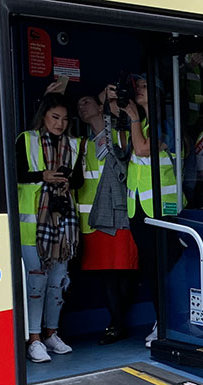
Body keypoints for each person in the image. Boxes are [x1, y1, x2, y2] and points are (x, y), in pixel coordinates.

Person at [16, 93, 85, 363]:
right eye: (55, 117)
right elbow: (15, 173)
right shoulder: (27, 139)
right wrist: (42, 176)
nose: (60, 124)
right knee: (37, 280)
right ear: (44, 116)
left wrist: (68, 182)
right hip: (31, 225)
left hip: (63, 224)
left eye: (65, 119)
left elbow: (79, 180)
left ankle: (51, 334)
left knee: (58, 281)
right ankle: (33, 339)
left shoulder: (75, 145)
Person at [77, 90, 139, 345]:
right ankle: (117, 323)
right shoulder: (80, 143)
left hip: (120, 212)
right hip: (92, 220)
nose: (83, 106)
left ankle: (118, 323)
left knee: (126, 271)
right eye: (79, 104)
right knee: (107, 275)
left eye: (87, 100)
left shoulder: (118, 134)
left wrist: (105, 99)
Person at [123, 74, 181, 347]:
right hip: (139, 207)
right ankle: (163, 319)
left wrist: (134, 119)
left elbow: (143, 149)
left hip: (162, 209)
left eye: (146, 87)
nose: (139, 91)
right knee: (150, 268)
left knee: (162, 268)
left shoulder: (164, 121)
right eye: (138, 88)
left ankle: (166, 322)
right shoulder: (143, 121)